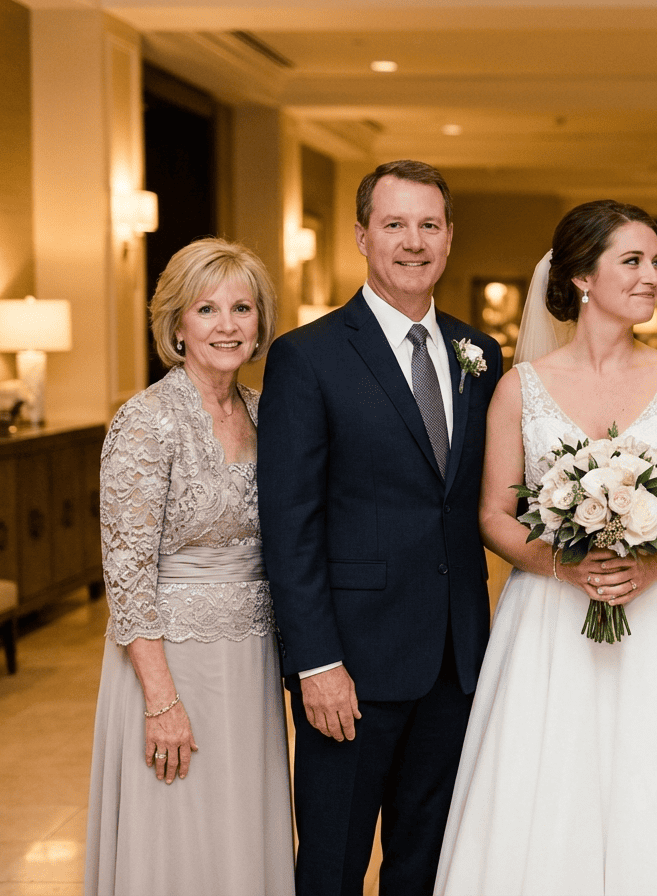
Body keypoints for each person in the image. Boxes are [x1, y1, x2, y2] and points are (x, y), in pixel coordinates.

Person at [435, 200, 657, 893]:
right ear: (579, 278)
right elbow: (493, 514)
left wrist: (647, 565)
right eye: (632, 261)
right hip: (549, 619)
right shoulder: (520, 389)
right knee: (551, 777)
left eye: (655, 261)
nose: (652, 276)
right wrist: (565, 565)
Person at [258, 160, 502, 895]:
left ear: (450, 239)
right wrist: (316, 663)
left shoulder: (479, 355)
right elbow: (289, 523)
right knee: (332, 863)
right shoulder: (308, 356)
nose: (413, 241)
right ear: (362, 236)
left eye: (429, 225)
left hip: (456, 661)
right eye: (395, 224)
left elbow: (479, 499)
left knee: (425, 862)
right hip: (352, 667)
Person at [84, 237, 293, 896]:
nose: (228, 325)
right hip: (171, 664)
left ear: (261, 321)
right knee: (179, 827)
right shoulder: (145, 422)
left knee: (240, 825)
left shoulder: (268, 414)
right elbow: (126, 575)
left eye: (242, 308)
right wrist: (161, 701)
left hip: (250, 657)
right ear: (177, 324)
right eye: (207, 310)